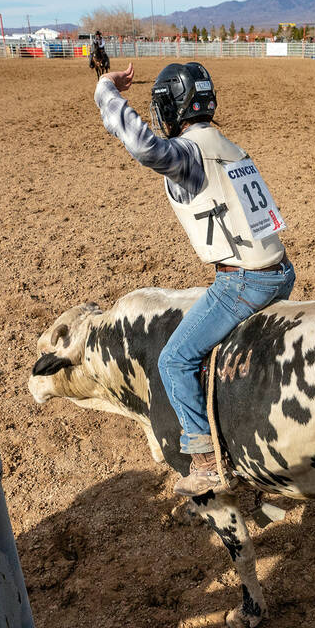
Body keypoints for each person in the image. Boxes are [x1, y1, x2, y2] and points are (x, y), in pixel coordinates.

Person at [94, 62, 294, 496]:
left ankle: (204, 462)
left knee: (174, 360)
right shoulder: (233, 147)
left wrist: (105, 90)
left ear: (170, 106)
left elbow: (144, 147)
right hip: (281, 272)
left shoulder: (190, 154)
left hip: (244, 280)